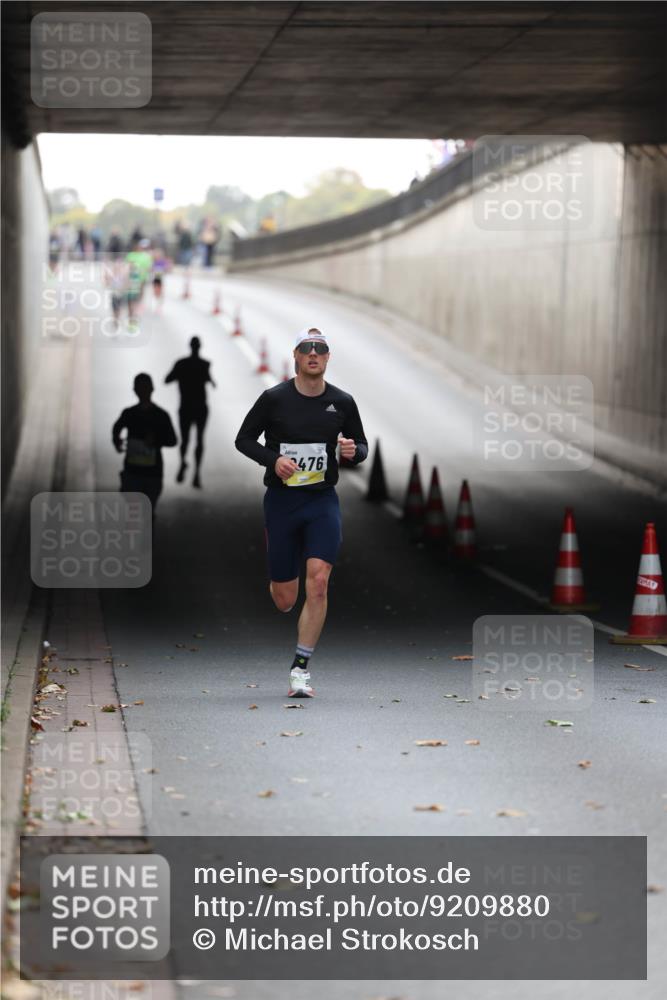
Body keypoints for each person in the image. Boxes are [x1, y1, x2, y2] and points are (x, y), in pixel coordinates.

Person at [235, 327, 368, 697]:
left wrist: (352, 453)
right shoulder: (274, 399)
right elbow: (243, 439)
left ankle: (300, 669)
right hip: (281, 502)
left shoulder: (342, 402)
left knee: (320, 580)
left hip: (322, 501)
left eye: (320, 349)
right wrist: (273, 459)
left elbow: (361, 445)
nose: (313, 353)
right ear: (295, 355)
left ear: (327, 358)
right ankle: (281, 578)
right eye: (306, 348)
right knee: (285, 599)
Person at [112, 373, 177, 512]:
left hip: (151, 474)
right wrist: (117, 442)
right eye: (140, 388)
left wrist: (156, 441)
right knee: (136, 513)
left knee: (143, 513)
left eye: (144, 387)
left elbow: (173, 440)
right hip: (133, 472)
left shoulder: (160, 415)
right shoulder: (129, 413)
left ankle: (146, 531)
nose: (142, 391)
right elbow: (116, 430)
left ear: (151, 389)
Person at [165, 336, 216, 488]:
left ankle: (183, 463)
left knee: (185, 440)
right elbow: (212, 383)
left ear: (190, 346)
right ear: (199, 347)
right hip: (201, 407)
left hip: (185, 406)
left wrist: (180, 376)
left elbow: (167, 380)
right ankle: (196, 474)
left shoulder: (181, 364)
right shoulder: (205, 364)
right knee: (200, 439)